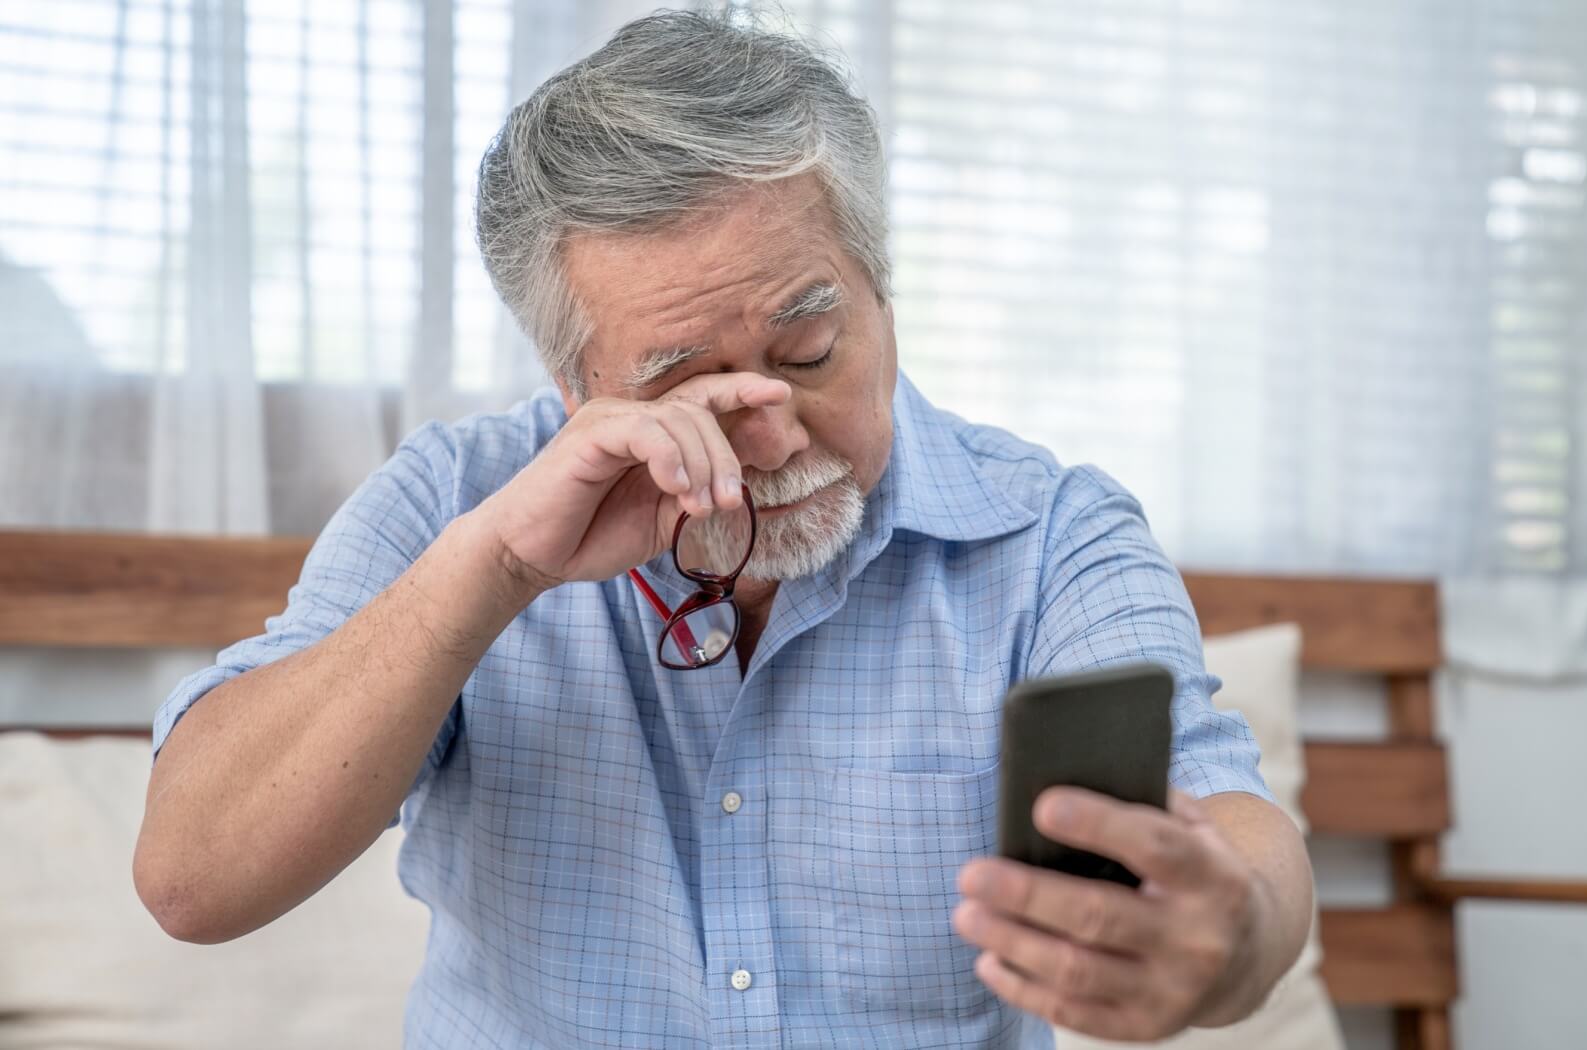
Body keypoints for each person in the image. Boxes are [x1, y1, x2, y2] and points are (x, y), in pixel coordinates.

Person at [133, 12, 1312, 1048]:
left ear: (881, 291)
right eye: (683, 383)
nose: (771, 430)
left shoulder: (1049, 534)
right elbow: (192, 880)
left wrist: (1226, 933)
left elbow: (1233, 832)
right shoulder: (453, 504)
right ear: (570, 381)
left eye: (809, 353)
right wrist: (495, 570)